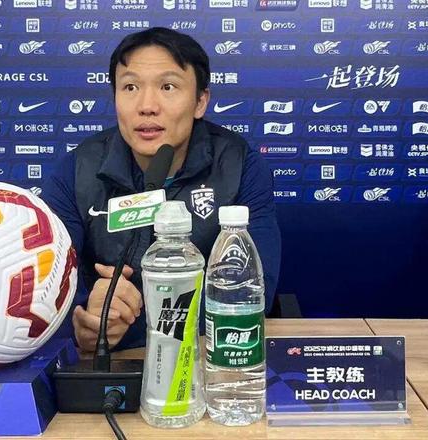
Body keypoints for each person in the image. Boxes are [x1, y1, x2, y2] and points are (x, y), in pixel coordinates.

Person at [41, 27, 281, 352]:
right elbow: (45, 290)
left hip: (204, 357)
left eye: (167, 87)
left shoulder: (239, 166)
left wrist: (134, 325)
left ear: (200, 101)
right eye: (130, 87)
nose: (147, 106)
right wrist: (85, 319)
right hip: (107, 363)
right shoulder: (77, 171)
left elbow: (249, 291)